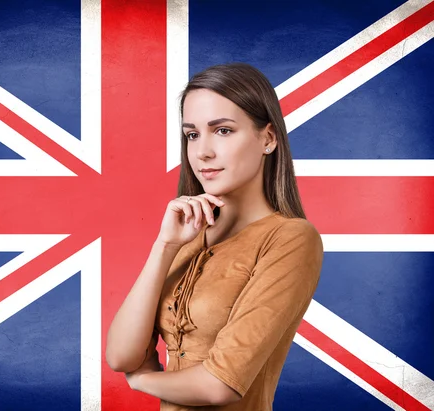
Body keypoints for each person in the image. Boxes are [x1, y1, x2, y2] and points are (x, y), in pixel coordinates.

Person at [105, 62, 324, 410]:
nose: (202, 151)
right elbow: (120, 356)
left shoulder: (291, 239)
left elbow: (220, 385)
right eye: (192, 134)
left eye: (222, 131)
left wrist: (142, 380)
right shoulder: (186, 233)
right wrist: (165, 246)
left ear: (267, 139)